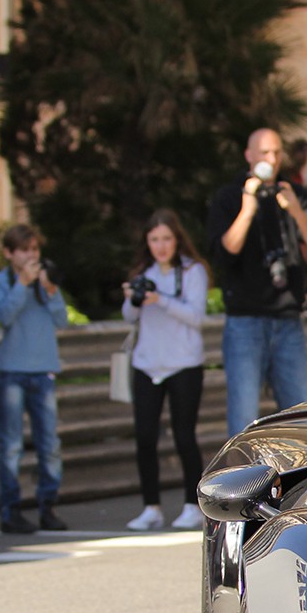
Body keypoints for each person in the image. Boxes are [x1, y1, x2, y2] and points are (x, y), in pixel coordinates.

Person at [206, 127, 307, 437]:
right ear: (249, 156)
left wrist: (297, 211)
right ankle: (240, 484)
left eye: (276, 153)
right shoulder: (229, 196)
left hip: (288, 320)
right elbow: (225, 251)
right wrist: (248, 209)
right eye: (263, 153)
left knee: (302, 416)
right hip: (245, 322)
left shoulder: (293, 194)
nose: (271, 159)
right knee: (243, 417)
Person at [120, 210, 211, 531]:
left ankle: (191, 504)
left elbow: (196, 316)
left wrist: (161, 300)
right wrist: (133, 298)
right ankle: (151, 507)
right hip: (147, 365)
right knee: (145, 437)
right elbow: (129, 317)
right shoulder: (142, 272)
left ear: (177, 240)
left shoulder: (192, 272)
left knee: (184, 435)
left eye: (166, 239)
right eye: (154, 239)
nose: (161, 246)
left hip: (184, 364)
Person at [0, 223, 68, 534]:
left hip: (44, 370)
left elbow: (62, 319)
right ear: (9, 253)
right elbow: (4, 316)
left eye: (34, 249)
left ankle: (48, 506)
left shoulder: (46, 280)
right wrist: (22, 284)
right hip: (10, 371)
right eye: (24, 250)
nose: (31, 256)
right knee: (10, 445)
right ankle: (10, 511)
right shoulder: (0, 281)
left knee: (49, 444)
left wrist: (49, 290)